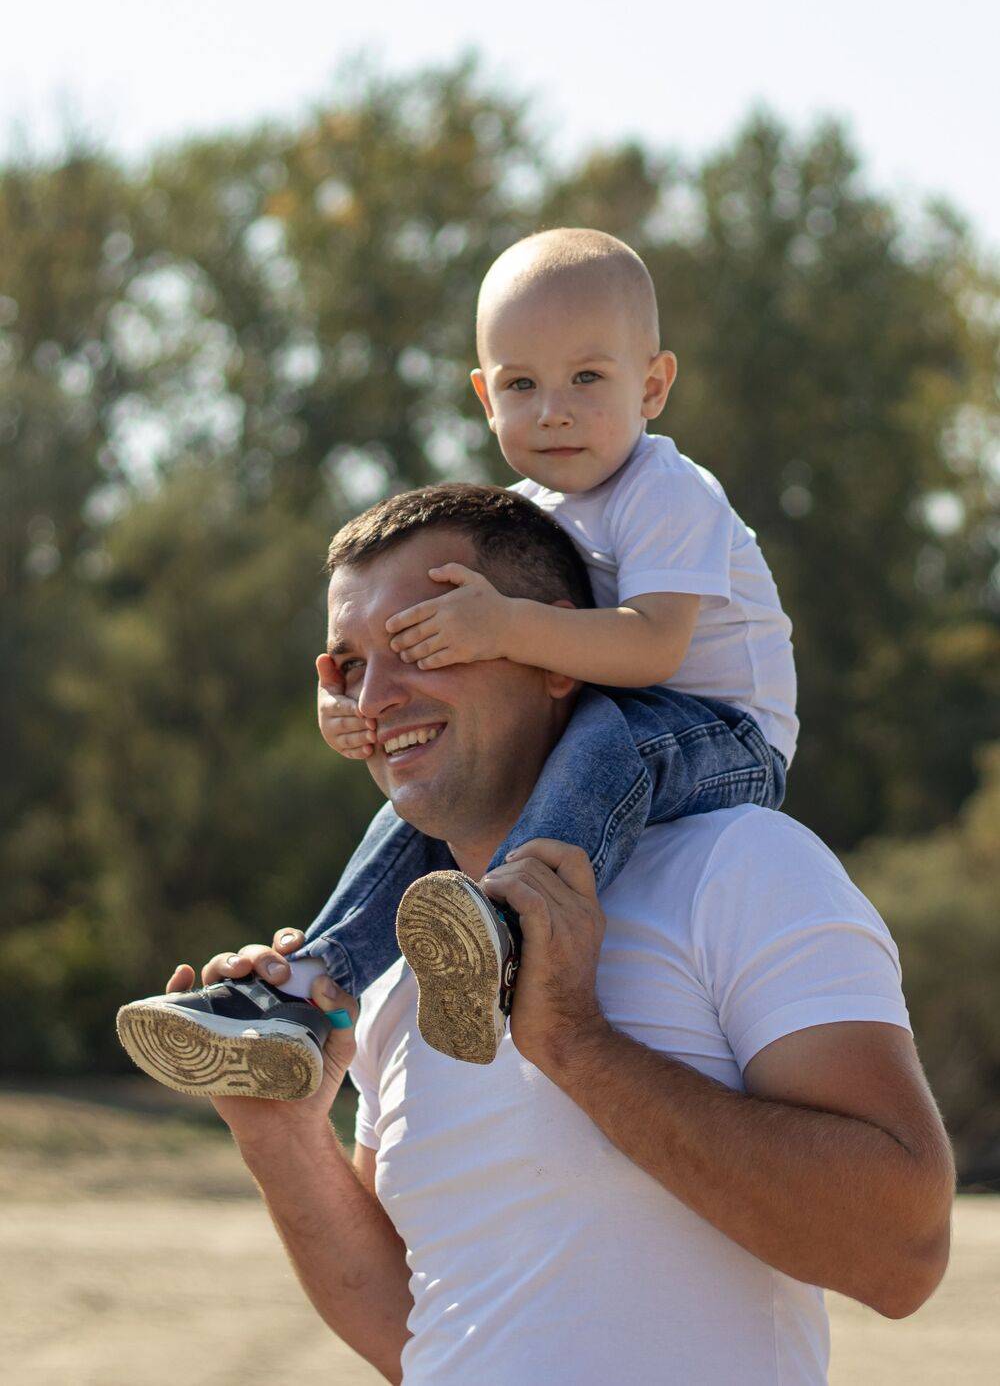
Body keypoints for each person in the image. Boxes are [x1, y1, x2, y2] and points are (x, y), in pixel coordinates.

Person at [159, 486, 953, 1385]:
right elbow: (426, 1331)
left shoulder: (741, 867)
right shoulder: (391, 966)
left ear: (557, 656)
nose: (375, 698)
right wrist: (283, 1137)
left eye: (420, 642)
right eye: (349, 667)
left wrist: (576, 1043)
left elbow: (904, 1256)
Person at [117, 229, 798, 1088]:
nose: (553, 410)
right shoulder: (520, 518)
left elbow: (656, 645)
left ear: (654, 385)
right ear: (484, 396)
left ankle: (508, 932)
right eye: (522, 384)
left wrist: (504, 625)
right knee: (422, 801)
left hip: (729, 737)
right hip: (613, 723)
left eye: (588, 378)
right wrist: (353, 700)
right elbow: (418, 646)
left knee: (608, 732)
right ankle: (307, 987)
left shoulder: (667, 491)